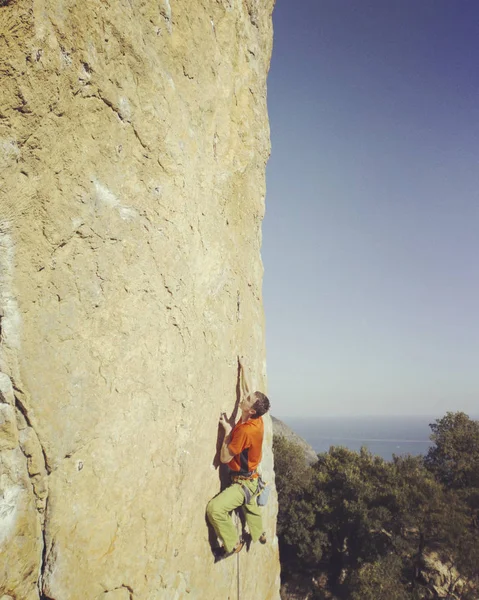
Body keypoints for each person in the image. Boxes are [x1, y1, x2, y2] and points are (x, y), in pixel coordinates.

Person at [206, 359, 271, 559]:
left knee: (215, 509)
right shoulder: (257, 417)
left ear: (250, 410)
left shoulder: (245, 431)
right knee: (250, 508)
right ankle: (259, 533)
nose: (244, 397)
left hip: (242, 483)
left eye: (248, 399)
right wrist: (242, 369)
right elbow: (248, 390)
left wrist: (227, 431)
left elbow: (225, 458)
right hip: (251, 479)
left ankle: (233, 544)